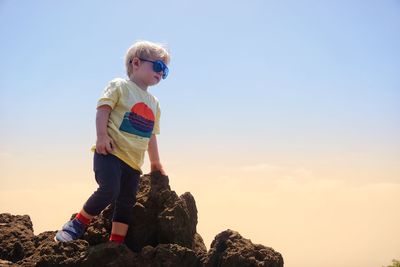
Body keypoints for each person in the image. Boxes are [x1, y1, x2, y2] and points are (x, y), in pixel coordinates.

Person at [55, 40, 170, 244]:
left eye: (165, 70)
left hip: (134, 163)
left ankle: (116, 242)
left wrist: (155, 163)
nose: (161, 73)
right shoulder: (120, 86)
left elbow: (151, 134)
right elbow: (103, 109)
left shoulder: (155, 104)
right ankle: (77, 224)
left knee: (126, 202)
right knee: (109, 190)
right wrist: (101, 136)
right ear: (136, 63)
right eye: (158, 66)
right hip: (110, 153)